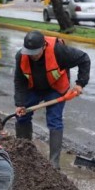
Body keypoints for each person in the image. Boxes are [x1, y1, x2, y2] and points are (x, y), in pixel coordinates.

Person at [13, 30, 90, 168]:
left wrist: (80, 84)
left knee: (54, 120)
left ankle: (54, 164)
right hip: (33, 88)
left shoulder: (58, 51)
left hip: (55, 88)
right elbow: (19, 81)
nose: (32, 56)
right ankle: (24, 156)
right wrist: (19, 103)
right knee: (22, 116)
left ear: (43, 46)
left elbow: (84, 58)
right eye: (29, 52)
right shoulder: (21, 56)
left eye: (35, 52)